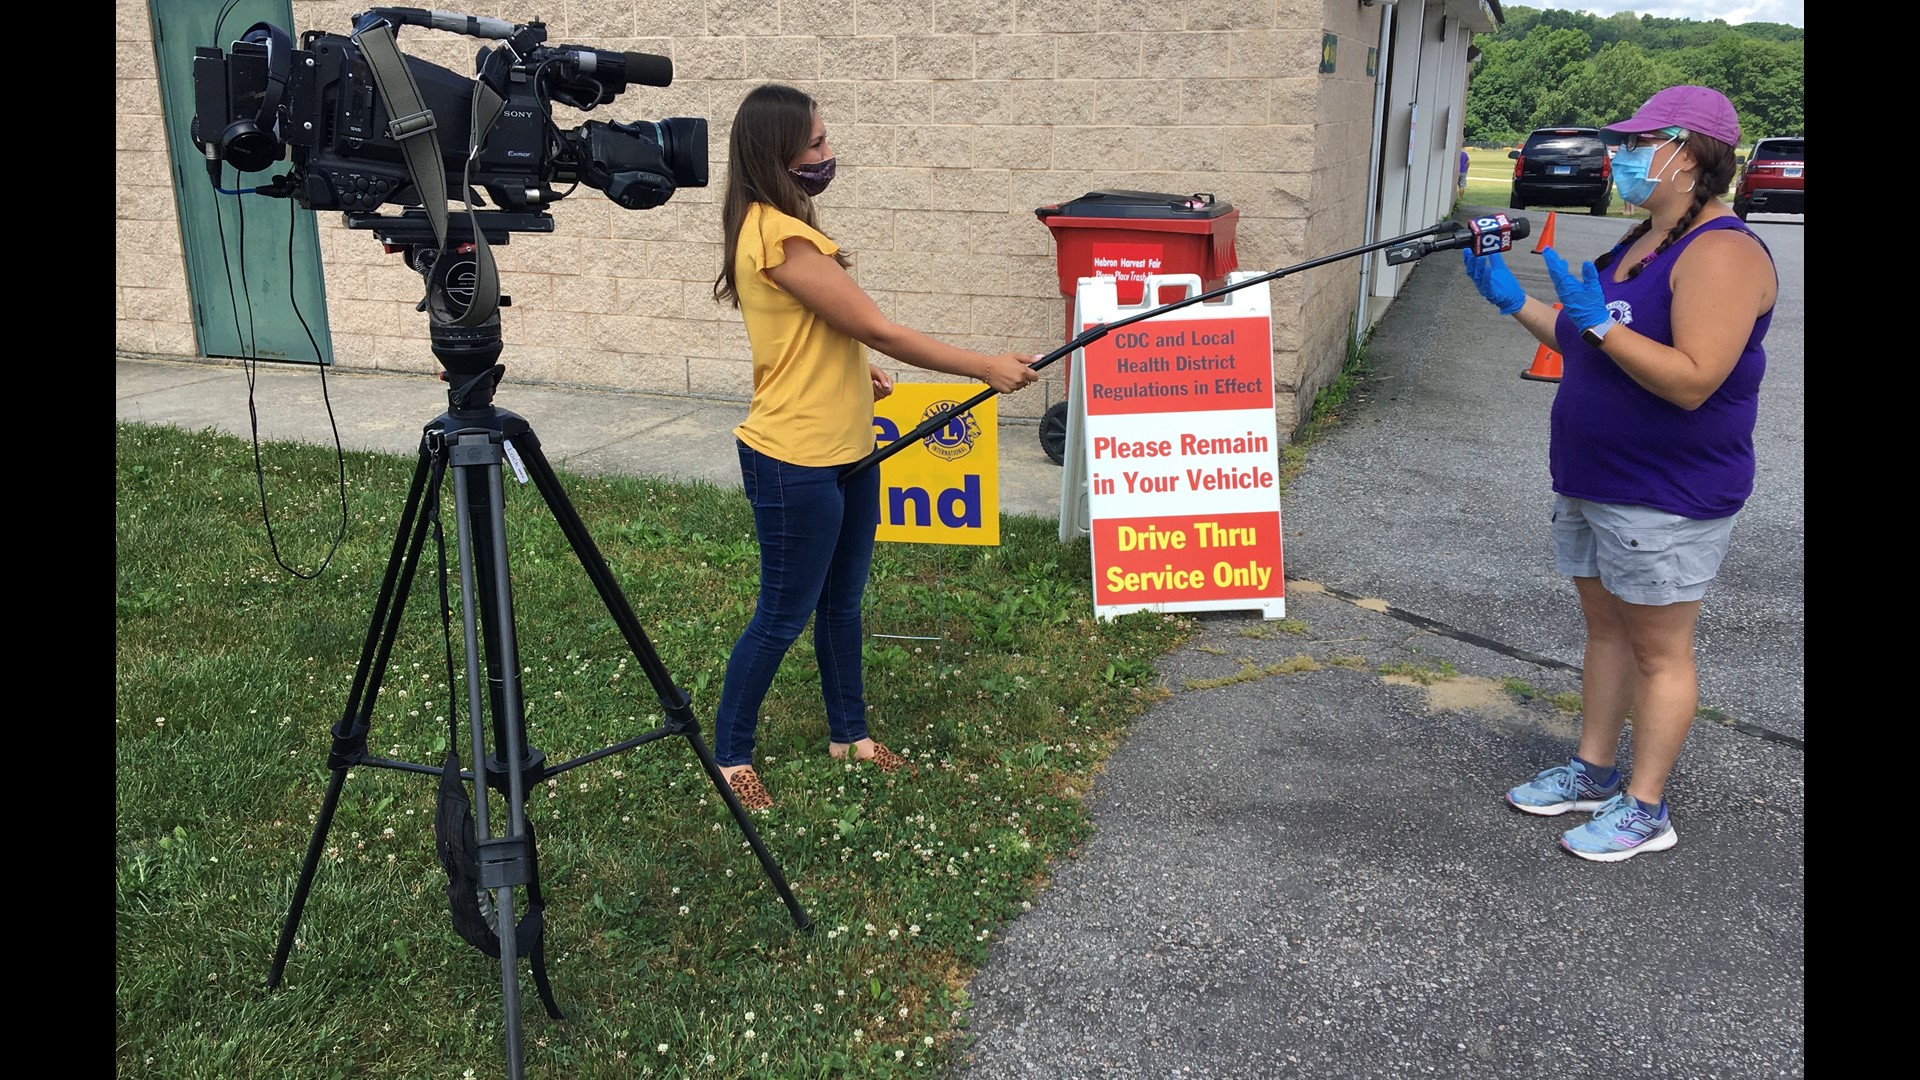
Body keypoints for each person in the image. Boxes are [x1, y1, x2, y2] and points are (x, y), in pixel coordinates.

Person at [1458, 86, 1776, 862]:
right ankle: (1593, 771)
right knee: (1606, 630)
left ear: (1690, 155)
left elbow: (1693, 378)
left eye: (1640, 142)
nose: (1625, 154)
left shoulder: (1724, 252)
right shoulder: (1641, 240)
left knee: (1660, 650)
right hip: (1594, 477)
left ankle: (1645, 809)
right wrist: (1516, 303)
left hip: (1666, 492)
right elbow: (1582, 341)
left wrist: (1599, 323)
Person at [709, 83, 1041, 811]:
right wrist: (984, 365)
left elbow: (815, 332)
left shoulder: (782, 227)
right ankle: (729, 754)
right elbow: (878, 326)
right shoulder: (778, 235)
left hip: (848, 448)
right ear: (778, 153)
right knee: (782, 615)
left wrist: (856, 372)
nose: (830, 154)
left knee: (844, 605)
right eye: (818, 144)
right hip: (792, 457)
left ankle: (849, 737)